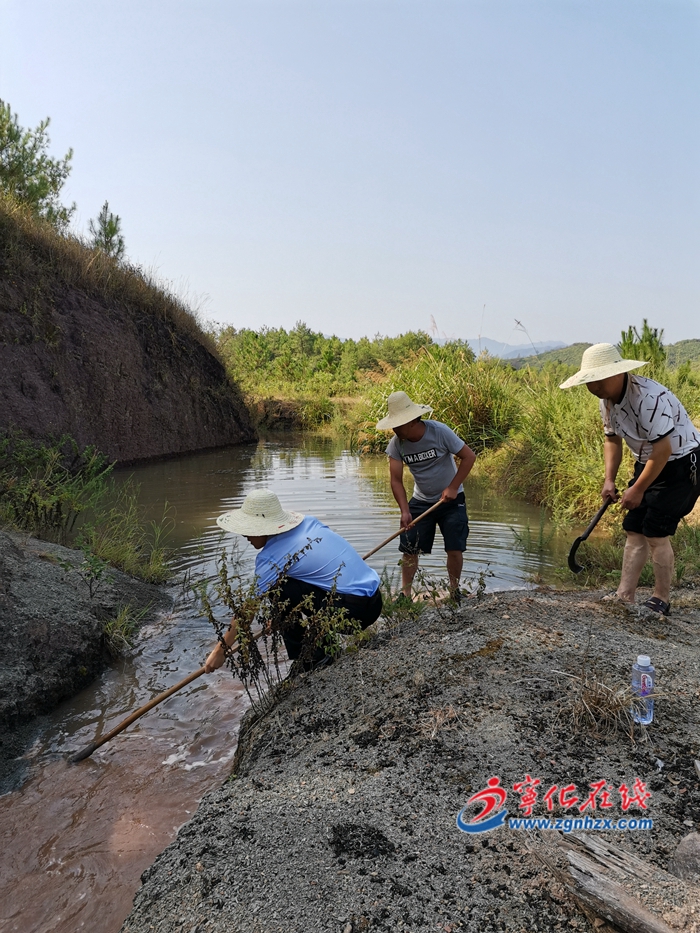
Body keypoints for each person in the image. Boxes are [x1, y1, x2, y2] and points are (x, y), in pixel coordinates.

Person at [560, 343, 700, 615]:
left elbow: (663, 450)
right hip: (649, 461)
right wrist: (609, 480)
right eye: (589, 382)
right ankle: (625, 594)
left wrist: (637, 489)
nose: (593, 387)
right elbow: (612, 439)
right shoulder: (607, 402)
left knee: (656, 531)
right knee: (634, 527)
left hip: (681, 463)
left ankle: (661, 600)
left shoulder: (648, 398)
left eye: (597, 380)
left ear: (616, 374)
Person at [204, 488, 382, 672]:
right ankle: (324, 648)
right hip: (375, 602)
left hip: (354, 613)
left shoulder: (270, 558)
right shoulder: (309, 523)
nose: (245, 536)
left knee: (279, 587)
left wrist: (220, 651)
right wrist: (282, 616)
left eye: (249, 529)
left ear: (263, 527)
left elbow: (247, 611)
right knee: (285, 584)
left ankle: (310, 659)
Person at [376, 391, 476, 601]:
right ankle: (405, 595)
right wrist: (404, 511)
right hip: (421, 501)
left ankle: (455, 592)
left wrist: (452, 486)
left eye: (399, 424)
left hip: (452, 499)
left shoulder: (439, 432)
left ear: (412, 421)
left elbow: (468, 457)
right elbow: (395, 480)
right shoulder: (397, 444)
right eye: (393, 424)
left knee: (454, 547)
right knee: (410, 548)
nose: (394, 429)